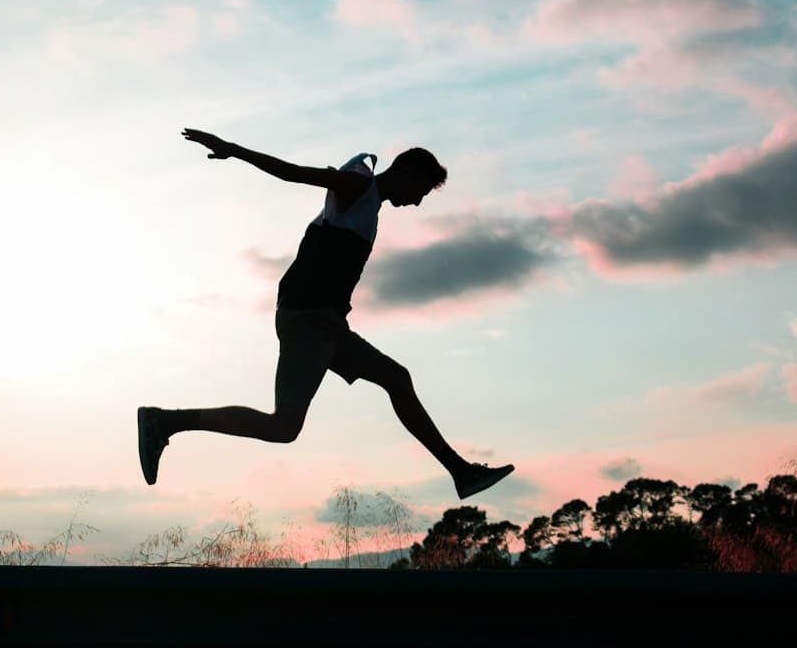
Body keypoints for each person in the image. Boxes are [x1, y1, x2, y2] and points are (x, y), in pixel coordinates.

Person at [137, 129, 515, 501]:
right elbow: (293, 173)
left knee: (396, 379)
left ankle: (461, 473)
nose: (417, 203)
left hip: (325, 324)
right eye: (421, 191)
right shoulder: (358, 187)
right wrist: (232, 149)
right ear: (407, 173)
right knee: (284, 425)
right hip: (309, 320)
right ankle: (165, 421)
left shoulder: (367, 202)